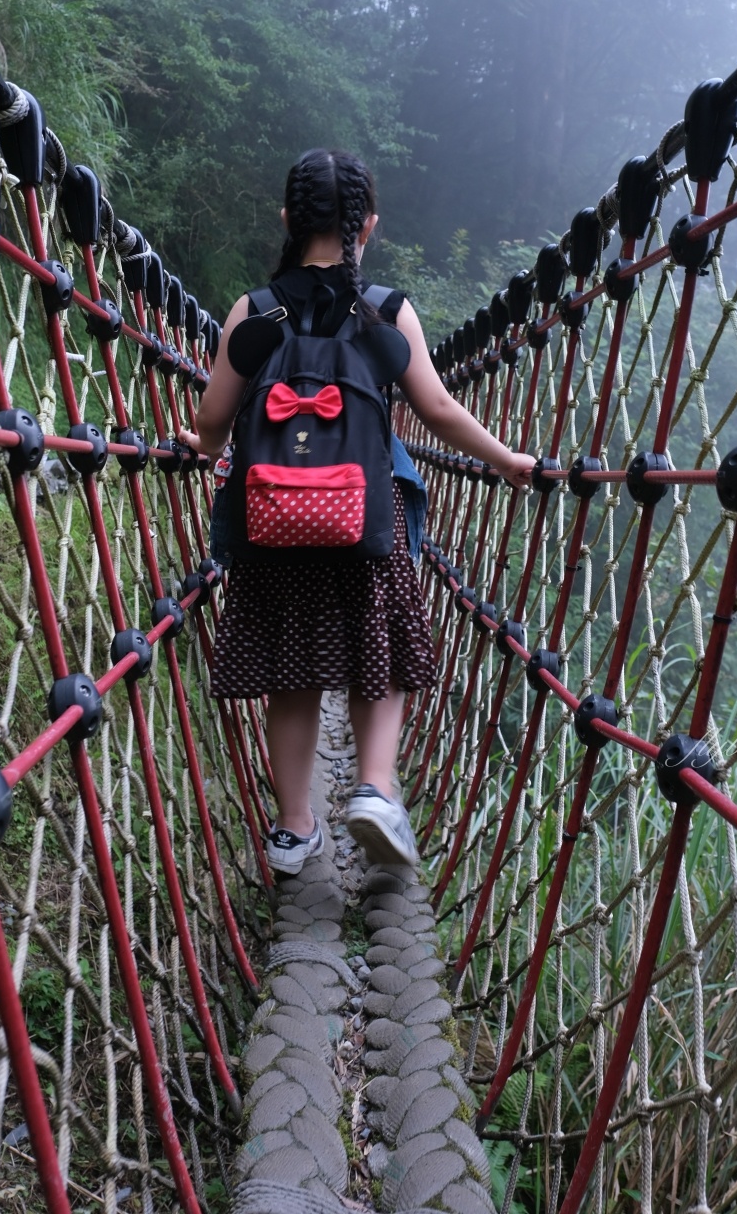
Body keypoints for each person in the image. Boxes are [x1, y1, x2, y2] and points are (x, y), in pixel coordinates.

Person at [179, 149, 534, 874]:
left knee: (292, 671)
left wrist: (194, 440)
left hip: (271, 523)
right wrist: (506, 459)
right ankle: (374, 788)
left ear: (287, 221)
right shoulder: (387, 311)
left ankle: (292, 827)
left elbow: (212, 421)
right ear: (365, 226)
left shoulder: (255, 309)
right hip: (365, 519)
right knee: (383, 656)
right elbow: (436, 409)